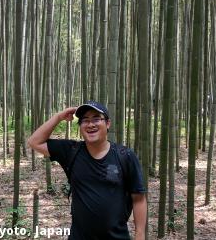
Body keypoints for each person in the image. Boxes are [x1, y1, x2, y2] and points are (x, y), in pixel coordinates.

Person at [28, 101, 147, 240]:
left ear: (107, 123)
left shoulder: (125, 156)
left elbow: (138, 198)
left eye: (96, 119)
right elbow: (34, 142)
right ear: (80, 126)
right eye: (85, 120)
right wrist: (59, 117)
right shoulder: (71, 151)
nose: (90, 124)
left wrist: (140, 235)